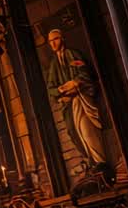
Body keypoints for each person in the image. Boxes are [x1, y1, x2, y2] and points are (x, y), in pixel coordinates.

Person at [45, 29, 108, 169]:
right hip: (70, 107)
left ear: (62, 39)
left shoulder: (73, 54)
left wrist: (75, 84)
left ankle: (101, 162)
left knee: (87, 131)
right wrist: (62, 91)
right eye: (50, 41)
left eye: (55, 39)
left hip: (82, 100)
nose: (53, 43)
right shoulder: (54, 63)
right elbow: (51, 89)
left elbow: (84, 75)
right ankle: (92, 162)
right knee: (74, 132)